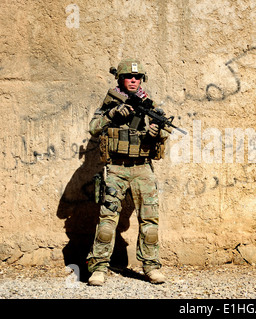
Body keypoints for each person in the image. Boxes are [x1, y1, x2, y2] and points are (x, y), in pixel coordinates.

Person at [86, 58, 169, 285]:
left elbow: (164, 137)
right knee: (107, 221)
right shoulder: (110, 104)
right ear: (120, 79)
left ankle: (151, 267)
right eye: (128, 77)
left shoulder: (149, 106)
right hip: (116, 168)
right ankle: (99, 268)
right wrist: (113, 115)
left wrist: (156, 134)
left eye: (137, 78)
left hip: (143, 169)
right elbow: (93, 128)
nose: (133, 81)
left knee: (150, 220)